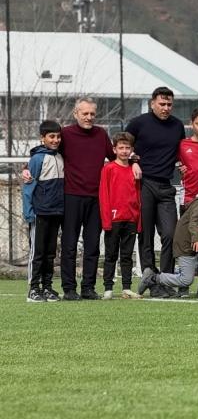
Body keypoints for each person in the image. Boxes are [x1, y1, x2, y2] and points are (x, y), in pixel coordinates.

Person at [25, 98, 115, 300]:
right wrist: (26, 168)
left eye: (92, 114)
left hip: (96, 198)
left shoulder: (101, 134)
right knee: (69, 245)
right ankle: (69, 289)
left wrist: (134, 163)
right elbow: (45, 152)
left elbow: (114, 158)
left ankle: (88, 288)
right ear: (76, 114)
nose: (89, 117)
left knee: (92, 245)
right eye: (85, 113)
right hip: (71, 197)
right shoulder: (65, 134)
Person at [126, 86, 185, 296]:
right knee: (146, 235)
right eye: (162, 104)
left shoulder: (177, 126)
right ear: (152, 103)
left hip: (166, 186)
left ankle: (165, 280)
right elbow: (122, 147)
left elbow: (181, 152)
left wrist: (182, 164)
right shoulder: (138, 123)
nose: (166, 108)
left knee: (170, 234)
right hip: (144, 184)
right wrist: (132, 161)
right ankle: (151, 281)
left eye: (169, 104)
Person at [138, 178, 198, 298]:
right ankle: (153, 278)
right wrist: (196, 237)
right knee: (186, 280)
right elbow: (194, 222)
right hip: (186, 246)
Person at [22, 120, 64, 303]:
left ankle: (47, 287)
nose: (55, 140)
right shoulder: (37, 159)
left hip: (56, 212)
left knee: (50, 253)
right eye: (51, 136)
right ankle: (33, 289)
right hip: (39, 213)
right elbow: (28, 188)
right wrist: (29, 212)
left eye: (58, 136)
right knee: (37, 253)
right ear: (42, 138)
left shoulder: (60, 157)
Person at [98, 132, 142, 300]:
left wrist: (138, 218)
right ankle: (108, 288)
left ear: (132, 149)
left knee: (127, 255)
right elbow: (104, 195)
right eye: (121, 148)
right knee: (110, 255)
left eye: (127, 148)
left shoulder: (134, 169)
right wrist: (106, 220)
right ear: (114, 149)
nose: (124, 151)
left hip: (130, 218)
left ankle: (126, 288)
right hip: (114, 219)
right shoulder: (108, 169)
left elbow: (137, 195)